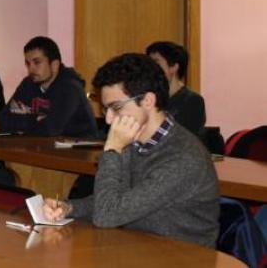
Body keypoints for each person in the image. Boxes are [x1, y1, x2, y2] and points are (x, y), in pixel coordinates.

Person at [42, 53, 219, 247]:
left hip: (183, 258)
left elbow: (106, 215)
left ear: (148, 101)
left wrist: (112, 150)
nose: (109, 119)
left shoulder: (183, 158)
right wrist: (68, 207)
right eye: (105, 109)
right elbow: (115, 201)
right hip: (137, 248)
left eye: (116, 107)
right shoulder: (133, 139)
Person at [0, 36, 97, 138]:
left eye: (37, 62)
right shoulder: (28, 83)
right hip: (43, 148)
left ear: (54, 65)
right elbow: (3, 120)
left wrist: (22, 121)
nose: (31, 69)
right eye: (28, 63)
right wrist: (35, 118)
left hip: (78, 151)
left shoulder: (70, 88)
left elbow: (50, 129)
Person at [145, 41, 206, 135]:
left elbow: (187, 139)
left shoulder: (193, 101)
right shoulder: (149, 97)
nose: (151, 69)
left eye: (156, 63)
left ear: (173, 67)